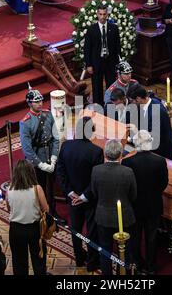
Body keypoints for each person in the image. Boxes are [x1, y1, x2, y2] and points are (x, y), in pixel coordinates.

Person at [57, 117, 103, 272]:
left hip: (72, 198)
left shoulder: (66, 146)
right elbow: (95, 179)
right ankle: (92, 262)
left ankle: (78, 258)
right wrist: (84, 196)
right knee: (91, 231)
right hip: (89, 199)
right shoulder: (96, 152)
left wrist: (70, 193)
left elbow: (61, 172)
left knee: (75, 229)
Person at [121, 130, 169, 274]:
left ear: (136, 144)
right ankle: (151, 267)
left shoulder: (128, 161)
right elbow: (164, 183)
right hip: (154, 205)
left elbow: (126, 186)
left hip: (135, 206)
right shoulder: (160, 161)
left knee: (134, 238)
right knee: (152, 238)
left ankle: (136, 264)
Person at [90, 139, 137, 275]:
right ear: (121, 154)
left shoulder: (96, 170)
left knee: (105, 250)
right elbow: (133, 195)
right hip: (124, 216)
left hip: (103, 216)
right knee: (126, 250)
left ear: (105, 154)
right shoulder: (128, 172)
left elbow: (94, 193)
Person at [19, 87, 61, 218]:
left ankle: (53, 212)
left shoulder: (48, 114)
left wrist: (54, 157)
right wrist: (40, 164)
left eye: (41, 101)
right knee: (39, 188)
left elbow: (55, 137)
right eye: (36, 102)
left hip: (50, 156)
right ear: (30, 103)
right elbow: (27, 149)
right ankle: (42, 215)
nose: (40, 104)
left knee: (52, 187)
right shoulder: (25, 122)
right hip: (37, 161)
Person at [7, 160, 49, 275]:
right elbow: (46, 209)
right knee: (39, 260)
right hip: (34, 229)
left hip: (16, 229)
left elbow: (8, 208)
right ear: (31, 173)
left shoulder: (9, 189)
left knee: (19, 262)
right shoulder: (37, 188)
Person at [127, 84, 172, 160]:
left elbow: (152, 138)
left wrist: (135, 133)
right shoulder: (147, 103)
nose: (131, 104)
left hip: (163, 151)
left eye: (132, 101)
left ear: (138, 99)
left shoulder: (156, 112)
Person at [84, 4, 121, 106]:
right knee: (97, 86)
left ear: (107, 14)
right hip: (96, 62)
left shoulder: (113, 28)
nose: (102, 17)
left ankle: (110, 105)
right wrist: (89, 65)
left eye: (104, 14)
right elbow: (87, 48)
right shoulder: (91, 29)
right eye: (100, 14)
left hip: (110, 62)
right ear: (97, 14)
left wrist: (118, 64)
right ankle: (98, 107)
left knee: (111, 86)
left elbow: (117, 47)